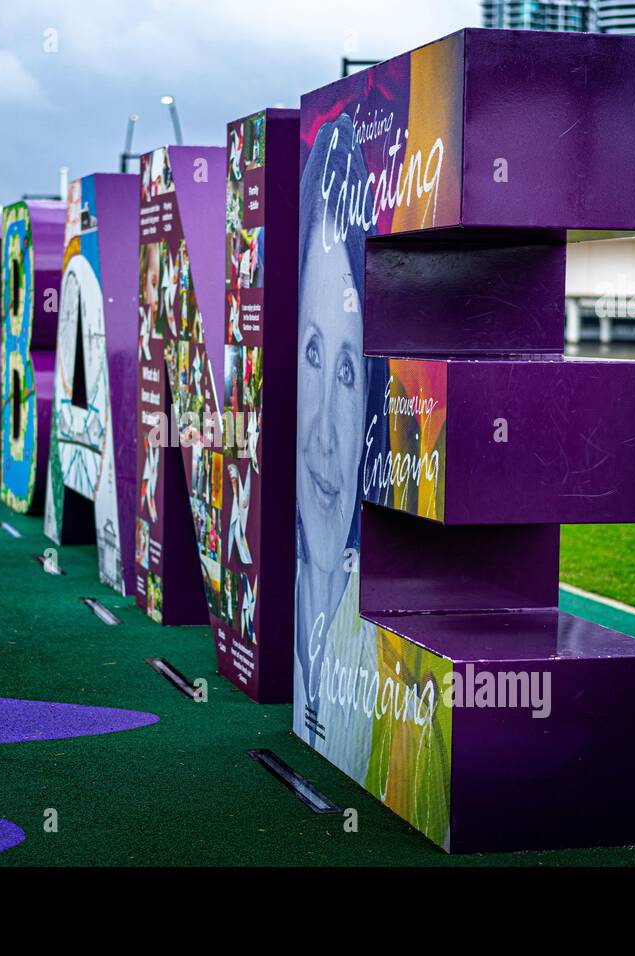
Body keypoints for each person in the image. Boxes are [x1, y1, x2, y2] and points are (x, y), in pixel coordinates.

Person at [294, 112, 375, 781]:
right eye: (313, 353)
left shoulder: (387, 667)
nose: (322, 428)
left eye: (347, 372)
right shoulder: (273, 591)